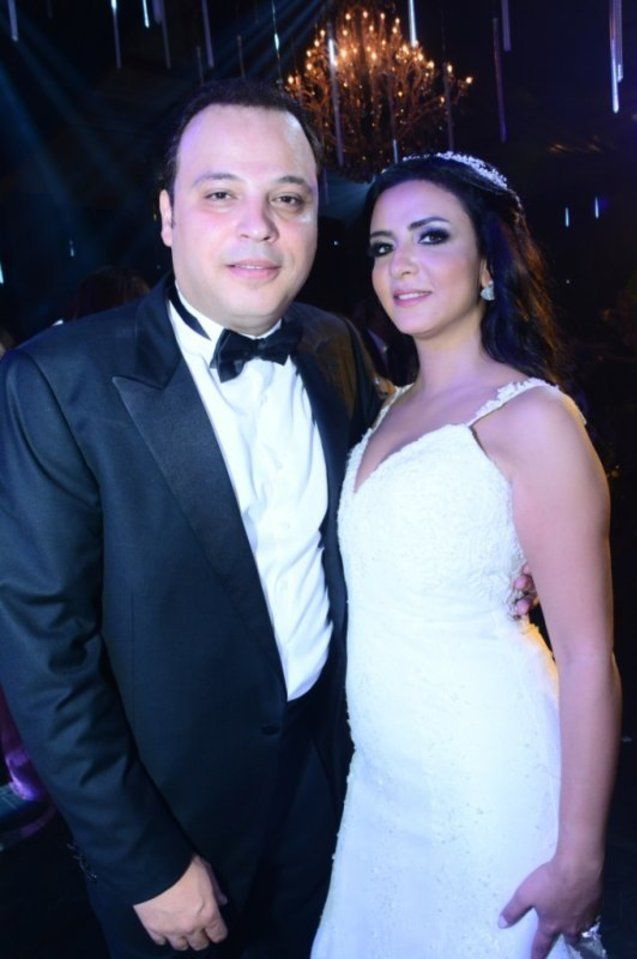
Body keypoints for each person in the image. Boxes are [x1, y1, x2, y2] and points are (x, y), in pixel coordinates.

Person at [0, 79, 381, 959]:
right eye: (220, 194)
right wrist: (144, 862)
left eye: (288, 198)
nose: (259, 226)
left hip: (325, 790)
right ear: (168, 216)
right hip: (170, 823)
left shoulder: (335, 347)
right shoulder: (57, 384)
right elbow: (44, 656)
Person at [311, 154, 621, 959]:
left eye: (431, 236)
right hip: (383, 782)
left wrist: (580, 855)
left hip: (490, 769)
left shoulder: (534, 418)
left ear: (488, 264)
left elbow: (589, 655)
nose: (401, 265)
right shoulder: (386, 409)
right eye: (383, 247)